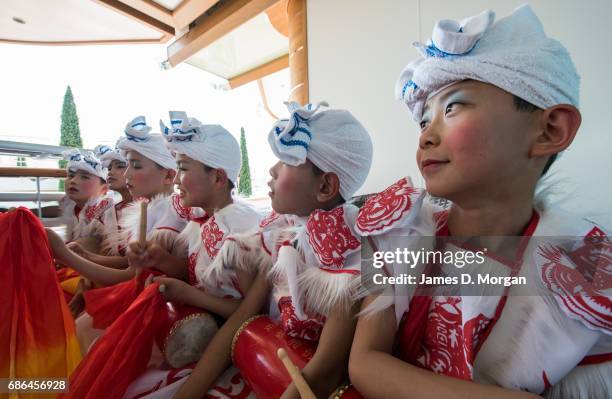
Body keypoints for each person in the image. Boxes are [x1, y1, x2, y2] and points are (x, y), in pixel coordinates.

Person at [349, 5, 611, 399]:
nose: (425, 137)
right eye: (424, 120)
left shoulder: (588, 269)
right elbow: (365, 361)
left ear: (550, 130)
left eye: (453, 107)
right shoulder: (395, 236)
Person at [171, 101, 374, 399]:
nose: (271, 170)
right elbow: (243, 317)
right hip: (262, 364)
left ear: (326, 187)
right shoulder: (281, 234)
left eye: (287, 161)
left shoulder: (350, 257)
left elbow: (324, 373)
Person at [63, 111, 262, 399]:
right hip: (205, 331)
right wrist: (161, 261)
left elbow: (249, 311)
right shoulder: (205, 221)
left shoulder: (237, 230)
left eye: (182, 168)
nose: (177, 179)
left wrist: (189, 295)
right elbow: (194, 272)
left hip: (228, 345)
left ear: (218, 177)